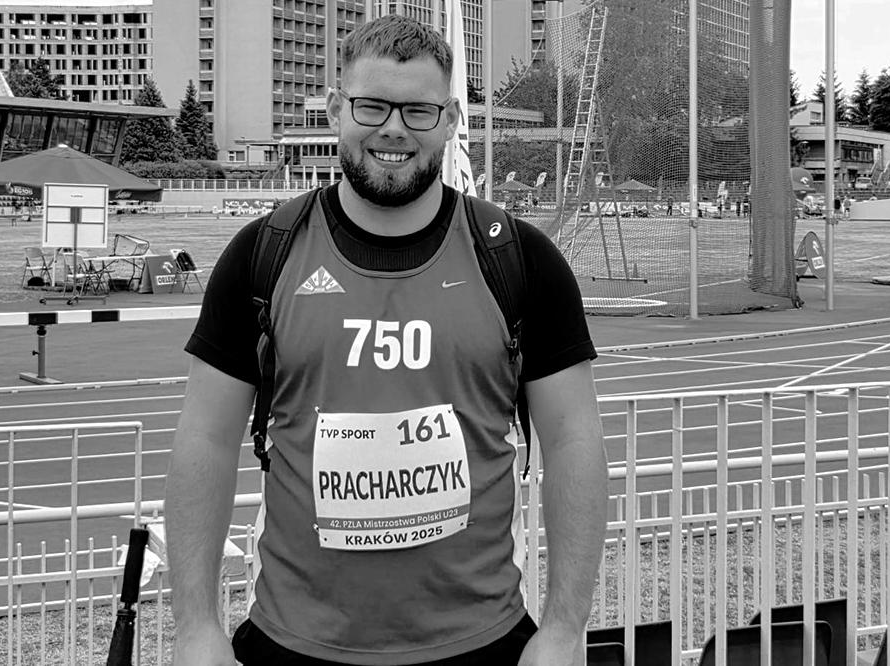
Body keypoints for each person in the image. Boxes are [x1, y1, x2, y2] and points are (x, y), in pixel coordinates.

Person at [165, 14, 608, 666]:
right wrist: (196, 626)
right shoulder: (262, 256)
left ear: (452, 117)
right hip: (293, 643)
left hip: (482, 643)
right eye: (371, 105)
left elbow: (574, 440)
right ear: (334, 109)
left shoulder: (519, 261)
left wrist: (566, 627)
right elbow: (203, 437)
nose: (393, 128)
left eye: (418, 110)